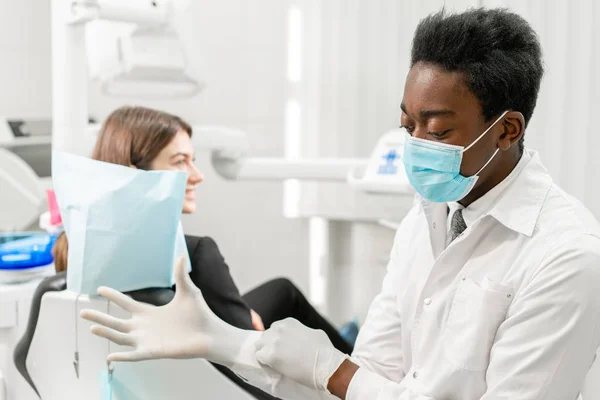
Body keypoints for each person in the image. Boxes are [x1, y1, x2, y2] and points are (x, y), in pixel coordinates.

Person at [81, 8, 600, 400]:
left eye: (437, 130)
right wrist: (222, 343)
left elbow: (351, 379)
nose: (414, 144)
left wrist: (334, 368)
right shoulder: (426, 221)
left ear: (506, 129)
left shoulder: (566, 256)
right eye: (407, 124)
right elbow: (369, 379)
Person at [53, 106, 353, 399]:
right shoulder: (195, 254)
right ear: (138, 174)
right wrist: (245, 325)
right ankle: (358, 368)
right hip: (221, 377)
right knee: (285, 298)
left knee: (280, 291)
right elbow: (248, 355)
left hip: (144, 377)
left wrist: (235, 310)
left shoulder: (72, 245)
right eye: (180, 162)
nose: (197, 175)